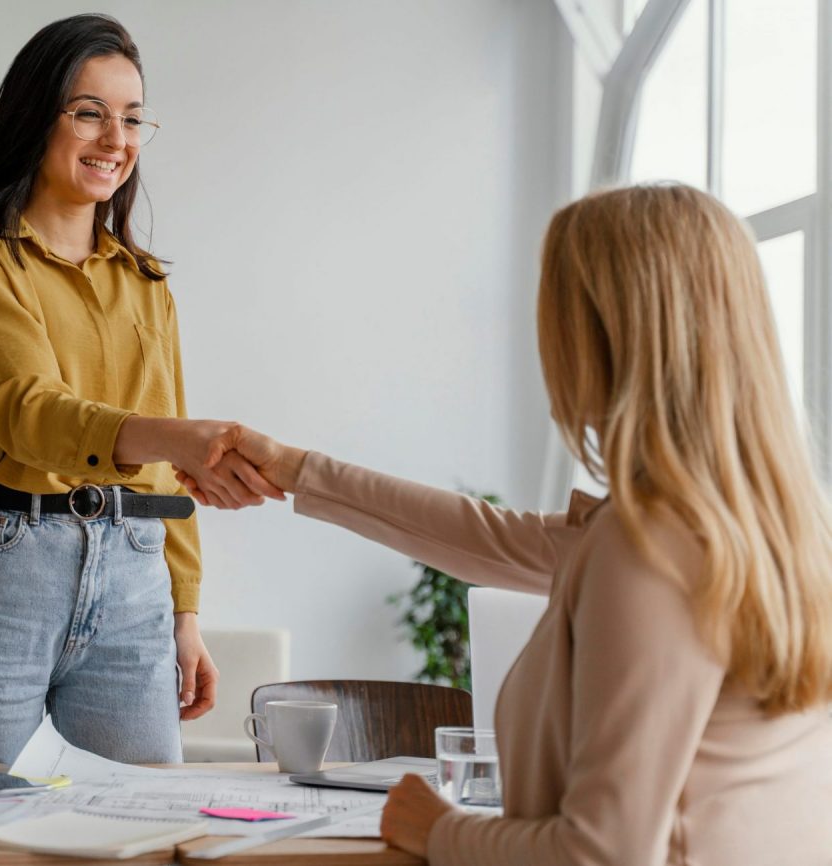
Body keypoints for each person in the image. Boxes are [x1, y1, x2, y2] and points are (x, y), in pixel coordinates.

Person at [185, 185, 832, 864]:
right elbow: (487, 537)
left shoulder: (649, 546)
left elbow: (601, 852)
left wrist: (437, 829)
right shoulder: (773, 530)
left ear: (602, 333)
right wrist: (295, 469)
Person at [0, 13, 278, 764]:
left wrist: (185, 610)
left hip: (138, 571)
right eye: (89, 113)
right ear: (34, 116)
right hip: (8, 565)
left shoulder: (145, 283)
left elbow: (173, 470)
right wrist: (178, 438)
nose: (116, 139)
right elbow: (27, 412)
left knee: (143, 815)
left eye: (133, 119)